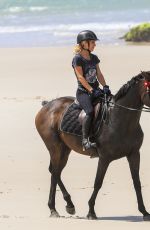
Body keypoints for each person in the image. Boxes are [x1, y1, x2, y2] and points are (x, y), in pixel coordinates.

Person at [72, 30, 111, 151]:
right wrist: (90, 90)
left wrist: (105, 86)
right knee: (89, 111)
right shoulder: (77, 59)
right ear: (84, 44)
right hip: (83, 92)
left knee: (110, 104)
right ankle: (85, 141)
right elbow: (80, 77)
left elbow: (99, 74)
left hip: (96, 90)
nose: (95, 45)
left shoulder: (94, 58)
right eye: (93, 42)